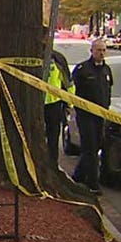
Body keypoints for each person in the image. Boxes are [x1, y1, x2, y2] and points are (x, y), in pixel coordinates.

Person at [70, 38, 113, 192]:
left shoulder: (106, 70)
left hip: (100, 115)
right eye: (98, 50)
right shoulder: (82, 70)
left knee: (95, 146)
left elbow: (108, 91)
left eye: (103, 50)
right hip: (85, 115)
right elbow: (74, 90)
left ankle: (78, 175)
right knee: (90, 146)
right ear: (92, 51)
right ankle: (93, 183)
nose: (101, 53)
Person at [43, 28, 74, 162]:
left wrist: (69, 103)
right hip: (33, 104)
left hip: (53, 104)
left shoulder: (57, 58)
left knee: (53, 137)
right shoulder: (31, 55)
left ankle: (52, 163)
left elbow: (68, 83)